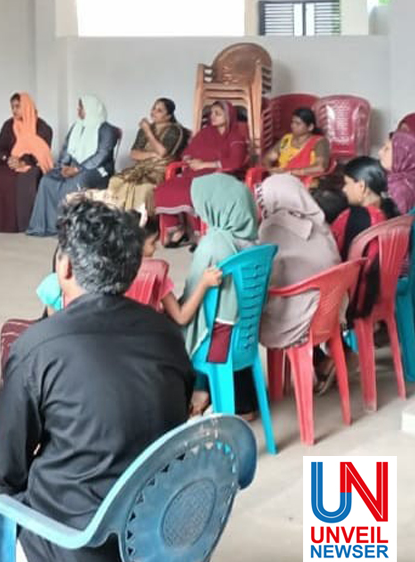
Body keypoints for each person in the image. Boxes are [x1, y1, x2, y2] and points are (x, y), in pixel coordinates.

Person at [0, 199, 191, 562]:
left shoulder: (39, 347)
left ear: (64, 267)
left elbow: (4, 476)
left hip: (74, 554)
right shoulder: (167, 335)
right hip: (153, 540)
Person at [35, 216, 221, 324]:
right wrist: (204, 284)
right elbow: (181, 317)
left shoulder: (86, 278)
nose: (156, 248)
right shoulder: (155, 275)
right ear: (136, 245)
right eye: (152, 243)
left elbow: (55, 327)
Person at [181, 174, 259, 413]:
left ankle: (199, 390)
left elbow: (188, 308)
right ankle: (241, 401)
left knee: (172, 328)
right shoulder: (255, 244)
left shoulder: (213, 245)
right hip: (246, 335)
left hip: (220, 343)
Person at [257, 174, 341, 350]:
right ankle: (322, 359)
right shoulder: (318, 222)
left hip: (300, 323)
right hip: (332, 312)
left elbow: (267, 277)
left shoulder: (272, 227)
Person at [154, 101, 251, 247]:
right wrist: (189, 160)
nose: (213, 116)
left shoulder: (235, 137)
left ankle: (201, 234)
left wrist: (205, 164)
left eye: (218, 113)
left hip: (220, 176)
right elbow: (188, 152)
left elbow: (235, 161)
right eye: (212, 113)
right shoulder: (206, 133)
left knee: (196, 191)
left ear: (228, 116)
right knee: (164, 188)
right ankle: (177, 229)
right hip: (194, 174)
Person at [27, 96, 117, 236]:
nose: (78, 110)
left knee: (77, 182)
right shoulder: (76, 126)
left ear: (91, 108)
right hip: (74, 167)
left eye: (81, 107)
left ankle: (70, 230)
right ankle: (47, 227)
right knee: (47, 179)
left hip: (98, 170)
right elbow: (67, 149)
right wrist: (62, 167)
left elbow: (101, 155)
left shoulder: (107, 130)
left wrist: (77, 169)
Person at [0, 93, 53, 233]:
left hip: (32, 164)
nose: (14, 110)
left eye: (18, 106)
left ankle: (24, 223)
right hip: (10, 161)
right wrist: (9, 158)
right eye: (12, 107)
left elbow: (42, 154)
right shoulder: (8, 125)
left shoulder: (43, 128)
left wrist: (23, 162)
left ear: (26, 106)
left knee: (26, 177)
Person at [103, 98, 187, 214]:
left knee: (143, 187)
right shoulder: (144, 129)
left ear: (168, 116)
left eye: (159, 110)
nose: (153, 112)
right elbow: (133, 154)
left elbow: (162, 152)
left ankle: (140, 220)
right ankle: (116, 217)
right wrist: (151, 154)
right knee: (115, 180)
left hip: (159, 171)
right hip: (142, 168)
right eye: (154, 108)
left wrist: (148, 131)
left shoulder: (175, 130)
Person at [334, 156, 399, 255]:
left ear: (361, 186)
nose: (344, 189)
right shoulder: (393, 211)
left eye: (347, 183)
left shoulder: (353, 217)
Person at [262, 108, 331, 187]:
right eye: (292, 122)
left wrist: (289, 172)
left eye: (298, 123)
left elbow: (320, 167)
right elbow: (268, 158)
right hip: (281, 180)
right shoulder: (286, 139)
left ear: (310, 127)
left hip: (305, 184)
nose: (293, 126)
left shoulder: (319, 142)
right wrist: (270, 170)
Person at [380, 129, 415, 213]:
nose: (380, 152)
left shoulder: (400, 189)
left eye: (387, 148)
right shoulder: (408, 181)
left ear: (403, 153)